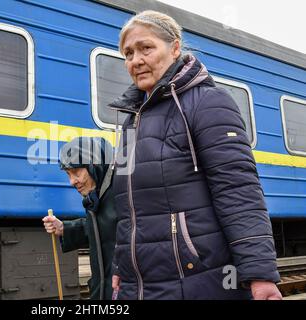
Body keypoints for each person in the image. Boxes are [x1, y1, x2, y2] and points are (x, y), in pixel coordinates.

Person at [109, 10, 282, 300]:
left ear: (175, 48)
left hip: (198, 280)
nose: (135, 60)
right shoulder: (131, 121)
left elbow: (238, 191)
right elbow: (130, 211)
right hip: (140, 285)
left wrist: (260, 274)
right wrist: (120, 263)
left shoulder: (208, 103)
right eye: (128, 53)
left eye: (146, 48)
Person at [42, 137, 117, 300]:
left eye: (76, 172)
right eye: (68, 174)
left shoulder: (123, 194)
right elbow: (104, 227)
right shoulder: (100, 195)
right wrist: (64, 228)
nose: (71, 181)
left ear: (95, 165)